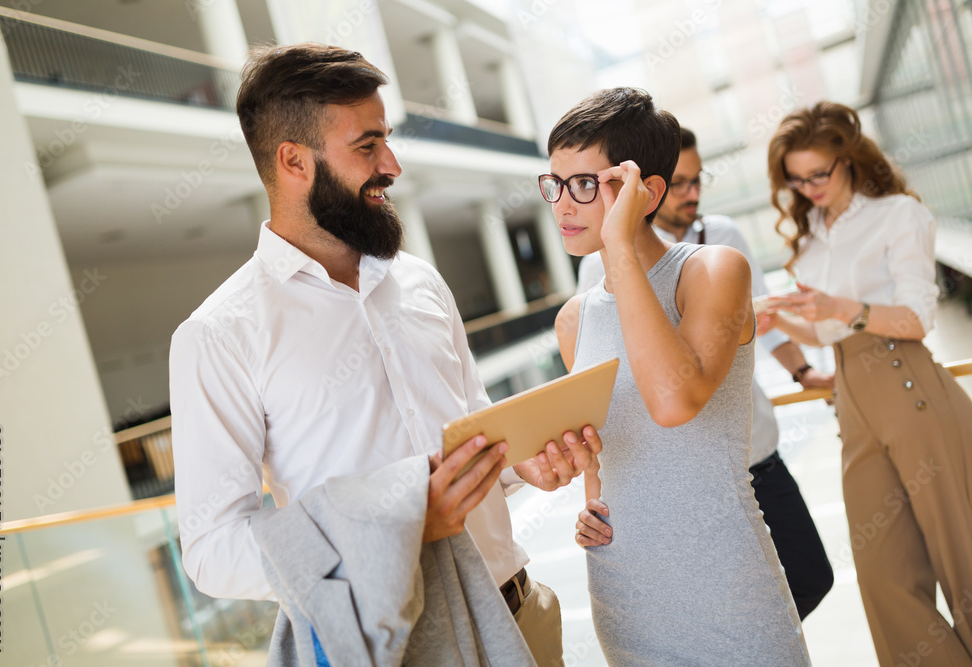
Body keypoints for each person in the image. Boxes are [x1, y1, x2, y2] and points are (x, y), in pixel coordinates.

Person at [169, 43, 603, 666]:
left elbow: (471, 432)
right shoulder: (218, 335)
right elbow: (212, 551)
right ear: (294, 160)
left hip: (520, 612)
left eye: (387, 140)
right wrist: (392, 532)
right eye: (367, 146)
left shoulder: (421, 281)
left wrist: (521, 466)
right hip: (402, 647)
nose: (392, 165)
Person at [544, 87, 810, 665]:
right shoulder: (573, 320)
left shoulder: (713, 272)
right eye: (555, 184)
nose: (563, 204)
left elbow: (673, 400)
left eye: (586, 184)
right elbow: (603, 448)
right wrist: (592, 502)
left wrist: (618, 246)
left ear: (647, 192)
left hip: (727, 580)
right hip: (625, 589)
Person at [575, 126, 835, 620]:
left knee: (809, 574)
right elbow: (605, 376)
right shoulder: (602, 262)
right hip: (681, 463)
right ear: (647, 189)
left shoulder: (723, 242)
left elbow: (767, 325)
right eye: (681, 183)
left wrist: (803, 372)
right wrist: (594, 494)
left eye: (698, 181)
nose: (693, 193)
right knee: (710, 598)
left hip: (751, 446)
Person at [762, 101, 972, 666]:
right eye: (796, 179)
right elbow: (828, 327)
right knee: (883, 579)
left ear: (849, 160)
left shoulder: (898, 215)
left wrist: (844, 307)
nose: (808, 189)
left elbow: (916, 319)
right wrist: (777, 318)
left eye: (818, 174)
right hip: (852, 405)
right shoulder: (809, 233)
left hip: (914, 393)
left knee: (964, 565)